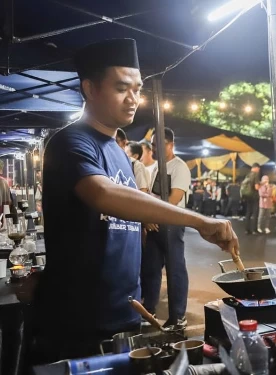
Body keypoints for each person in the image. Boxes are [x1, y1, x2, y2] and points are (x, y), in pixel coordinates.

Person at [31, 39, 238, 363]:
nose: (134, 99)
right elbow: (103, 194)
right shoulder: (70, 142)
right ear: (90, 88)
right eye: (121, 88)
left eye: (137, 89)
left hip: (123, 316)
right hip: (77, 323)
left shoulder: (118, 152)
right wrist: (199, 220)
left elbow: (127, 213)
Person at [142, 127, 192, 329]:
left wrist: (154, 215)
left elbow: (174, 199)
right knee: (151, 268)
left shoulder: (179, 167)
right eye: (153, 144)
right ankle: (149, 311)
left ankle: (178, 316)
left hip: (172, 224)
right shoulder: (156, 168)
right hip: (155, 224)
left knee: (175, 269)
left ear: (170, 145)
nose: (152, 148)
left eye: (156, 145)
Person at [241, 164, 261, 234]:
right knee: (255, 213)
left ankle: (247, 230)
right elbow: (256, 187)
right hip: (254, 196)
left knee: (248, 213)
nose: (259, 170)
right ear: (255, 168)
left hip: (247, 195)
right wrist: (261, 185)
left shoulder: (248, 175)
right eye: (258, 169)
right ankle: (254, 230)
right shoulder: (255, 175)